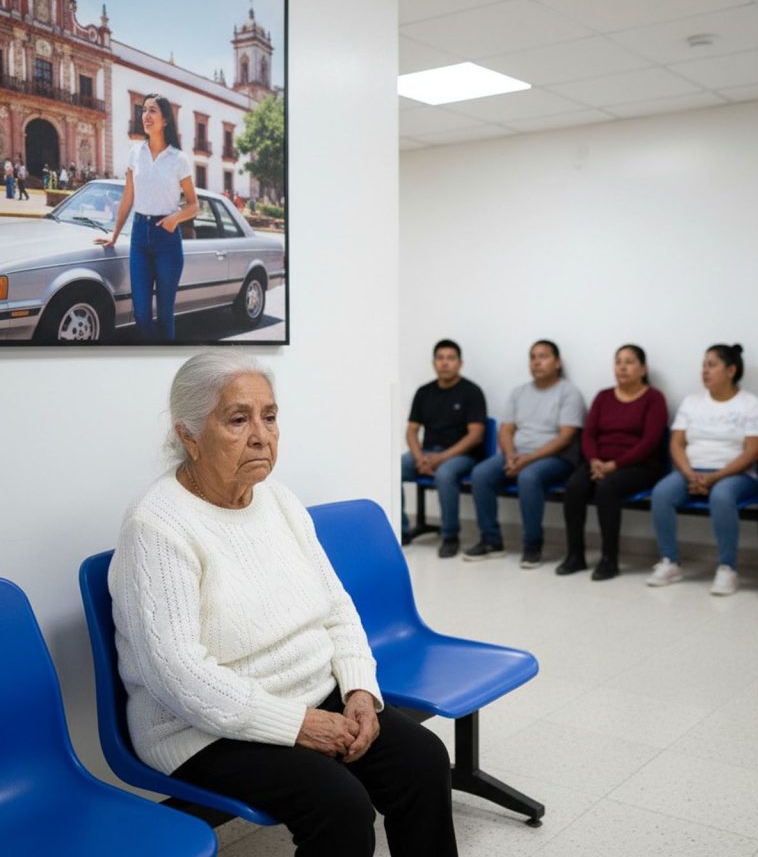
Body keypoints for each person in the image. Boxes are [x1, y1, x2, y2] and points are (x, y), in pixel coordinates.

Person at [108, 350, 457, 857]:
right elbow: (179, 676)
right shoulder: (157, 526)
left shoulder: (279, 501)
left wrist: (359, 688)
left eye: (269, 417)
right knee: (341, 806)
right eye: (237, 419)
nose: (260, 435)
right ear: (188, 435)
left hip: (311, 695)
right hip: (198, 727)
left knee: (423, 761)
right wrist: (297, 724)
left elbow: (336, 606)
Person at [647, 344, 758, 596]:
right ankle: (670, 561)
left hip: (737, 475)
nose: (704, 371)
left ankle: (727, 568)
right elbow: (676, 443)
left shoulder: (751, 404)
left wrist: (716, 477)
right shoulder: (692, 403)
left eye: (712, 365)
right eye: (703, 365)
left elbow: (753, 451)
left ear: (731, 370)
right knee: (661, 493)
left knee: (722, 496)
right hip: (691, 471)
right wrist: (690, 473)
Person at [467, 340, 585, 567]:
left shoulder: (569, 392)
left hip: (555, 458)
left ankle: (532, 545)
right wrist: (511, 456)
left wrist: (527, 460)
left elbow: (566, 437)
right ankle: (491, 541)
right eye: (533, 357)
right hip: (518, 455)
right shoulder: (518, 392)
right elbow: (507, 429)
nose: (537, 362)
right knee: (481, 474)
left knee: (528, 477)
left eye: (543, 356)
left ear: (557, 362)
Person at [557, 345, 668, 580]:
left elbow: (650, 442)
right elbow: (588, 434)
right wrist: (595, 460)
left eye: (629, 362)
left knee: (607, 488)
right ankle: (575, 555)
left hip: (640, 466)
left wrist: (614, 466)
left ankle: (609, 559)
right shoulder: (604, 396)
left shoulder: (653, 398)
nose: (622, 367)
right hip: (599, 462)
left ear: (643, 368)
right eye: (618, 362)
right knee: (575, 486)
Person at [95, 92, 198, 342]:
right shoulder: (135, 153)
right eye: (143, 110)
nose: (146, 115)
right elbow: (127, 199)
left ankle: (164, 362)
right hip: (139, 237)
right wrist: (115, 234)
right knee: (141, 314)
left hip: (167, 240)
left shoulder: (178, 158)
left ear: (165, 120)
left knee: (165, 315)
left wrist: (175, 217)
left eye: (152, 110)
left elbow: (194, 205)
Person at [401, 339, 487, 558]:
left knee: (445, 474)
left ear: (460, 363)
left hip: (462, 456)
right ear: (434, 362)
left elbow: (476, 435)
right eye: (440, 358)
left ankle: (450, 536)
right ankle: (401, 529)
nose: (445, 363)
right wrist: (420, 457)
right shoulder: (424, 392)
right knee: (395, 467)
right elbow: (412, 431)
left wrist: (441, 459)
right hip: (428, 453)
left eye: (450, 358)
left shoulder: (472, 392)